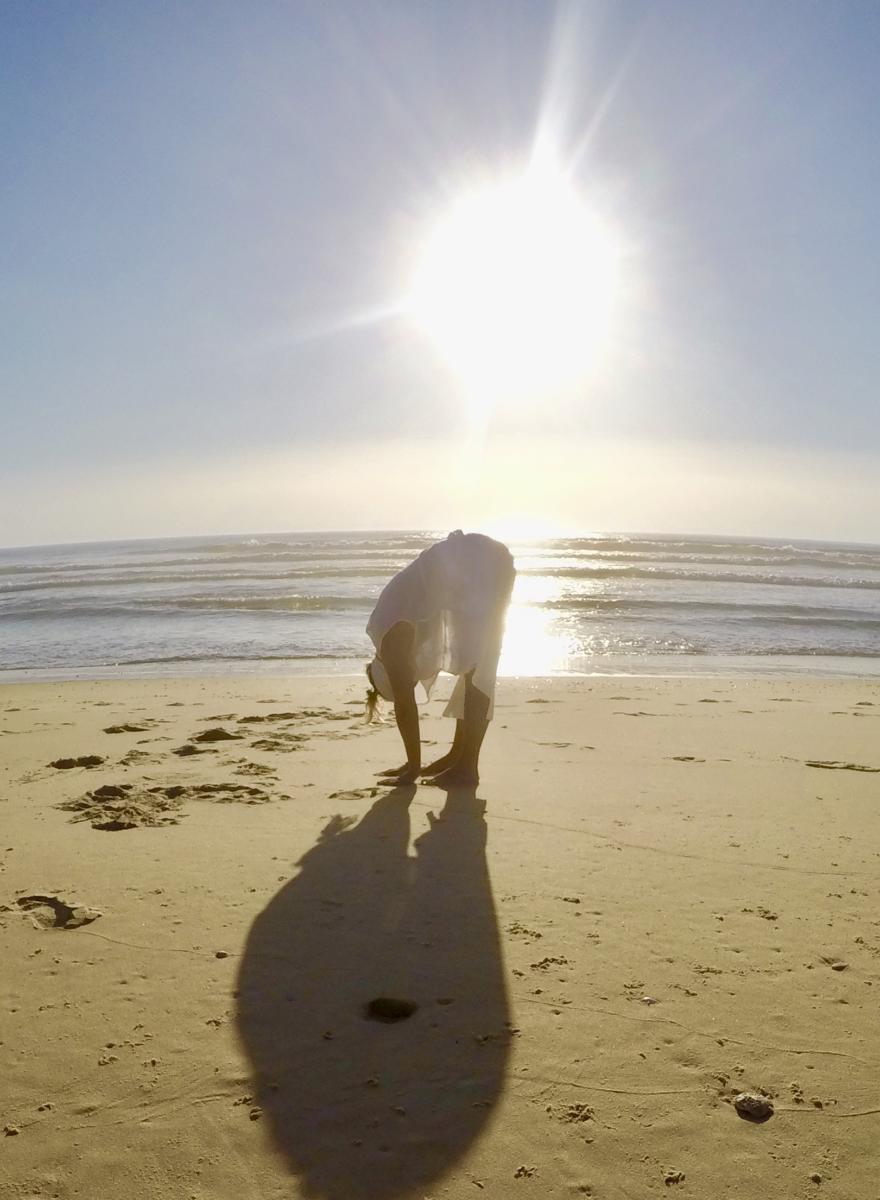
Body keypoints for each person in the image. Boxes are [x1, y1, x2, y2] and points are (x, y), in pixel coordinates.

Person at [365, 531, 515, 787]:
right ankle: (459, 759)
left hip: (473, 566)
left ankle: (466, 768)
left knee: (477, 664)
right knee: (473, 661)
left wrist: (412, 770)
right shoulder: (391, 627)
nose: (409, 684)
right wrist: (414, 764)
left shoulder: (388, 640)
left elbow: (405, 706)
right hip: (484, 559)